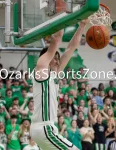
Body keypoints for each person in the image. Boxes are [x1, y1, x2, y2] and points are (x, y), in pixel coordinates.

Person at [30, 20, 88, 150]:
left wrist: (82, 25)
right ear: (45, 59)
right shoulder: (41, 70)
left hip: (44, 128)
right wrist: (61, 15)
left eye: (57, 58)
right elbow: (56, 38)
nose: (57, 61)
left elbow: (71, 47)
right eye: (54, 58)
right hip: (44, 128)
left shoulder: (53, 75)